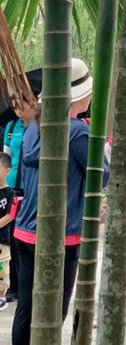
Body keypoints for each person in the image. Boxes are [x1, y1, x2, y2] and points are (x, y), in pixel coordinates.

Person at [12, 59, 109, 344]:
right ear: (82, 96)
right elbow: (100, 176)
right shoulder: (77, 130)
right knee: (54, 311)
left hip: (25, 231)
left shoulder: (35, 124)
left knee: (27, 310)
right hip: (61, 234)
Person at [2, 95, 36, 304]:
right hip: (11, 187)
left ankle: (26, 285)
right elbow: (5, 157)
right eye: (14, 105)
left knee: (25, 238)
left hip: (29, 189)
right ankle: (12, 286)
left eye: (20, 104)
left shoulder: (39, 127)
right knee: (10, 239)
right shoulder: (11, 127)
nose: (17, 109)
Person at [0, 152, 14, 311]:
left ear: (7, 170)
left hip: (2, 239)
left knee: (2, 267)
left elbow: (10, 215)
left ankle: (2, 296)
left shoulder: (10, 193)